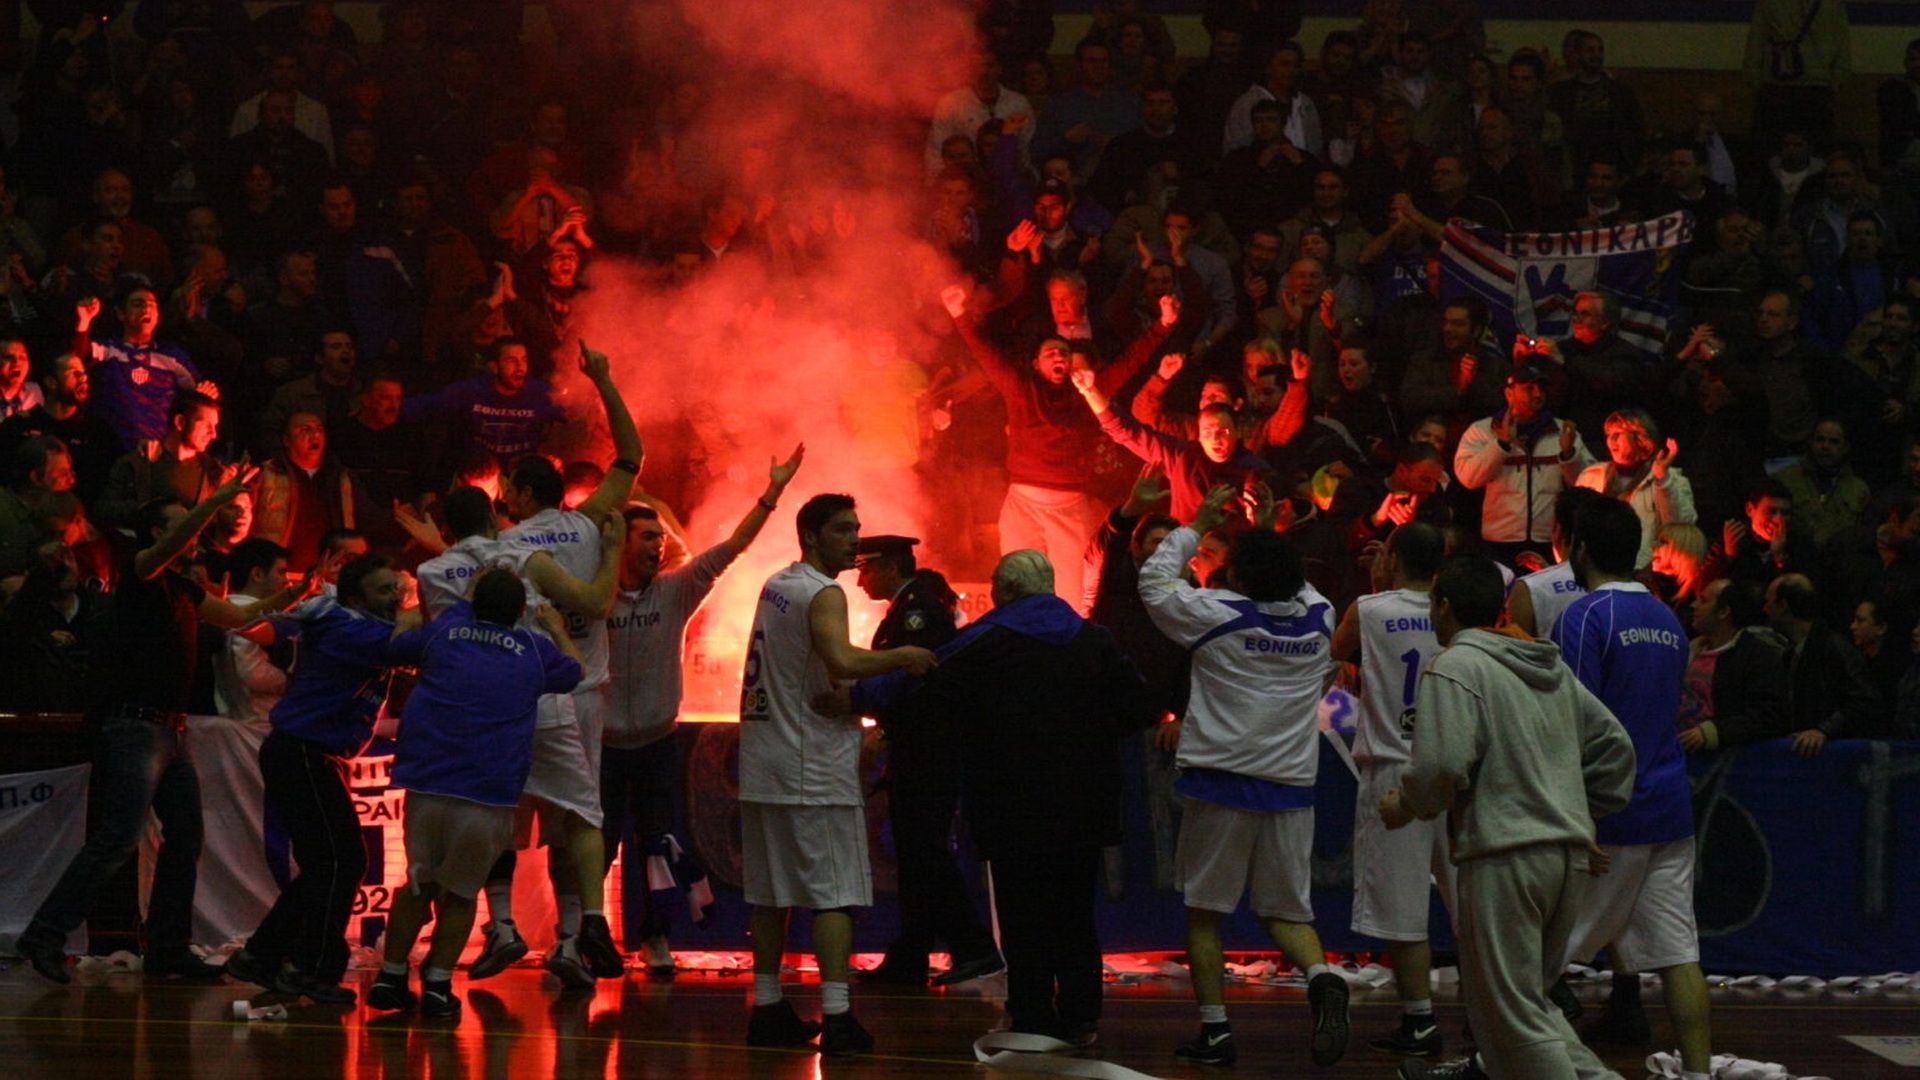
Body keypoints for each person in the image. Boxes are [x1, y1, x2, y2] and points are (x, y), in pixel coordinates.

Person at [14, 470, 324, 984]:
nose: (194, 534)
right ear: (157, 534)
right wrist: (215, 500)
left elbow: (242, 618)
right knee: (119, 837)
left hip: (169, 732)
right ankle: (44, 936)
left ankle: (166, 949)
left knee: (184, 836)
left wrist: (300, 592)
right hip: (136, 727)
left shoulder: (182, 588)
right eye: (180, 525)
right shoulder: (141, 572)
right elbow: (174, 547)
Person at [860, 548, 1154, 1046]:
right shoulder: (1093, 639)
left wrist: (853, 695)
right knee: (1074, 912)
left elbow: (922, 686)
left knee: (1023, 914)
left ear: (1010, 591)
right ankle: (1081, 1015)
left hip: (1010, 801)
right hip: (1084, 801)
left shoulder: (984, 641)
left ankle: (1033, 1016)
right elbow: (1138, 706)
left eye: (996, 586)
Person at [1383, 555, 1636, 1080]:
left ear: (1442, 606)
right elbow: (1616, 750)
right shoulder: (1549, 667)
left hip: (1506, 855)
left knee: (1512, 1018)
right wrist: (1575, 809)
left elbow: (1440, 765)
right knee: (1531, 1005)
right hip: (1565, 856)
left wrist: (1404, 805)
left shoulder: (1457, 665)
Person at [1139, 484, 1350, 1069]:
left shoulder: (1216, 615)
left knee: (1205, 913)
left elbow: (1154, 582)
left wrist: (1196, 524)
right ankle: (1321, 976)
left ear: (1235, 576)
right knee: (1287, 910)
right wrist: (1270, 534)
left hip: (1221, 783)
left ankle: (1215, 1032)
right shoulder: (1321, 617)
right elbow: (1293, 582)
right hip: (1291, 786)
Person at [738, 494, 937, 1056]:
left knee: (771, 895)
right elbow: (841, 660)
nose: (854, 541)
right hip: (811, 768)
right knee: (833, 896)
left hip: (764, 761)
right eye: (843, 530)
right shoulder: (823, 591)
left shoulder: (776, 583)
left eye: (856, 529)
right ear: (810, 536)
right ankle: (838, 1016)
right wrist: (905, 656)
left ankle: (768, 1007)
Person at [469, 341, 641, 986]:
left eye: (508, 487)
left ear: (519, 491)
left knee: (500, 814)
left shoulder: (507, 544)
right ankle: (571, 938)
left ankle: (503, 925)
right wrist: (604, 381)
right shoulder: (591, 523)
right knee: (576, 819)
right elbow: (632, 456)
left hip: (524, 696)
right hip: (586, 692)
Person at [601, 447, 804, 975]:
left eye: (660, 537)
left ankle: (656, 938)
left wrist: (771, 494)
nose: (659, 544)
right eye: (647, 536)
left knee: (657, 846)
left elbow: (733, 547)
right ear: (618, 543)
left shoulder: (676, 591)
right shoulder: (591, 600)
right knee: (594, 846)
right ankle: (580, 940)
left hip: (655, 744)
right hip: (600, 745)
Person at [366, 571, 586, 1021]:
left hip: (427, 783)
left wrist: (464, 606)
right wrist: (558, 629)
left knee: (417, 883)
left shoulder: (443, 633)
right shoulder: (534, 650)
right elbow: (576, 671)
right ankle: (437, 986)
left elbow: (393, 648)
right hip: (487, 793)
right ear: (520, 612)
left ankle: (390, 977)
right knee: (461, 893)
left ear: (472, 601)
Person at [1556, 500, 1713, 1080]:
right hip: (1670, 811)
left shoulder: (1584, 616)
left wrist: (1576, 818)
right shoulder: (1669, 620)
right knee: (1679, 955)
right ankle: (1698, 1074)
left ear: (1580, 549)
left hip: (1610, 818)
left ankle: (1495, 1064)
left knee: (1537, 964)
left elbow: (1573, 724)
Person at [223, 551, 407, 1004]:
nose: (395, 598)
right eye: (384, 590)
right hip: (304, 751)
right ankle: (311, 970)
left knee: (331, 862)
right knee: (342, 860)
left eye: (397, 589)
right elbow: (412, 643)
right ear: (356, 598)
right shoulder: (353, 630)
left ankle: (262, 955)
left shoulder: (350, 624)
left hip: (306, 753)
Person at [852, 532, 1002, 988]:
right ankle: (910, 957)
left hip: (927, 749)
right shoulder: (909, 607)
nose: (859, 580)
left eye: (865, 568)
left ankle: (975, 948)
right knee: (916, 857)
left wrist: (864, 702)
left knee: (926, 852)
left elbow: (921, 683)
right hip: (919, 746)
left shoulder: (917, 613)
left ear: (887, 566)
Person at [1330, 522, 1452, 1058]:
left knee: (1402, 909)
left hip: (1393, 768)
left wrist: (1379, 584)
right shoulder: (1456, 609)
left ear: (1393, 558)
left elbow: (1338, 650)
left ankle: (1420, 1019)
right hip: (1453, 765)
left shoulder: (1369, 608)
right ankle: (1493, 1016)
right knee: (1472, 904)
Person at [1454, 362, 1594, 566]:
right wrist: (1501, 445)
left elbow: (1588, 484)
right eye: (1529, 388)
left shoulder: (1563, 431)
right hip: (1499, 541)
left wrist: (1568, 455)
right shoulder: (1482, 431)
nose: (1538, 394)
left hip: (1548, 541)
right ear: (1509, 393)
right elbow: (1468, 478)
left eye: (1541, 388)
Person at [1575, 410, 1695, 569]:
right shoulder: (1591, 476)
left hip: (1642, 572)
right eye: (1609, 435)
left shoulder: (1669, 480)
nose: (1611, 440)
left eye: (1617, 434)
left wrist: (1663, 480)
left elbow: (1681, 529)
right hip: (1596, 570)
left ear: (1640, 439)